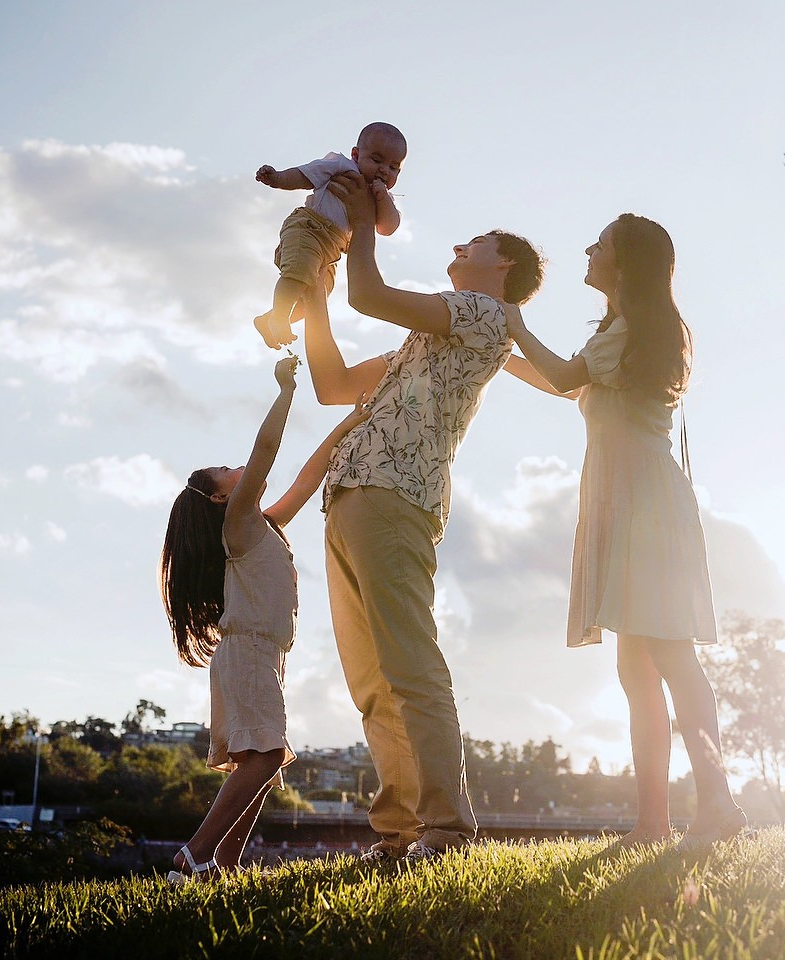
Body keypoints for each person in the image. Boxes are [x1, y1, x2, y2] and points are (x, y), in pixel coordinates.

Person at [299, 170, 544, 863]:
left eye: (479, 241)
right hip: (351, 494)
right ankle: (400, 829)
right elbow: (333, 387)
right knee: (373, 682)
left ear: (503, 267)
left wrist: (352, 224)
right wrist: (316, 298)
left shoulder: (482, 315)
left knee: (411, 668)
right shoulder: (428, 337)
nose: (462, 242)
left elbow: (371, 293)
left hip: (395, 496)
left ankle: (445, 828)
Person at [504, 214, 747, 850]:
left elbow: (561, 376)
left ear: (623, 264)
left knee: (667, 655)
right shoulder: (622, 333)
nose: (588, 248)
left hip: (644, 505)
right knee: (638, 669)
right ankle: (653, 822)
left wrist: (510, 320)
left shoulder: (632, 330)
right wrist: (505, 354)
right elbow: (565, 382)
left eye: (601, 244)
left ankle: (717, 802)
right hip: (635, 501)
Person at [159, 356, 368, 881]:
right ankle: (195, 854)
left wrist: (346, 425)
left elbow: (304, 479)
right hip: (249, 651)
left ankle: (222, 866)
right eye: (226, 471)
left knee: (261, 760)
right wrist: (286, 390)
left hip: (259, 655)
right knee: (267, 757)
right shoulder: (236, 523)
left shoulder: (260, 526)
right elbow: (266, 452)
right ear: (219, 496)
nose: (238, 470)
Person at [253, 121, 407, 350]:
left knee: (317, 297)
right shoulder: (342, 166)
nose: (384, 170)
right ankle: (280, 317)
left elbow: (388, 227)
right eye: (377, 160)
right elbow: (305, 175)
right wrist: (277, 179)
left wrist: (382, 198)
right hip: (309, 227)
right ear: (356, 155)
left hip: (332, 250)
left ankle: (269, 319)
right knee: (298, 273)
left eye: (393, 167)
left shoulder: (382, 197)